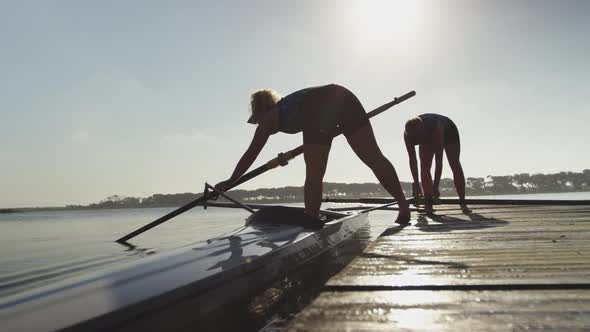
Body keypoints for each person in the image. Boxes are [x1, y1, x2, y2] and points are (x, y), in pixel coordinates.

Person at [215, 84, 411, 225]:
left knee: (314, 173)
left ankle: (311, 218)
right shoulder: (284, 105)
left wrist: (231, 180)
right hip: (344, 96)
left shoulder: (268, 118)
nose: (258, 124)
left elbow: (251, 154)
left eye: (257, 120)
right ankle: (403, 206)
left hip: (316, 107)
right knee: (374, 158)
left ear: (261, 111)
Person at [404, 113, 471, 214]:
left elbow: (439, 161)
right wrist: (417, 184)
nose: (419, 142)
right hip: (429, 132)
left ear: (423, 132)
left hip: (448, 130)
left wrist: (436, 187)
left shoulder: (436, 129)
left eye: (420, 139)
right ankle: (428, 201)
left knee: (454, 164)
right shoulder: (407, 135)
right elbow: (413, 161)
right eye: (416, 141)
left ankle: (462, 202)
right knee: (424, 166)